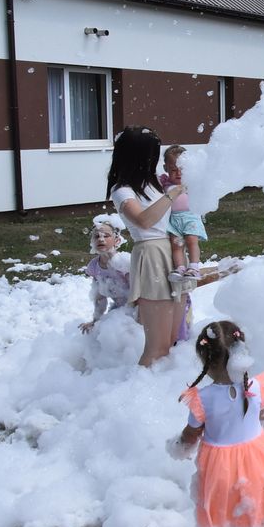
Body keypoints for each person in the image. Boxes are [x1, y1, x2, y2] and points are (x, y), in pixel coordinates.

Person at [171, 321, 264, 527]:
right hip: (255, 459)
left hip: (219, 468)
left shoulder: (203, 398)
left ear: (206, 361)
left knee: (218, 519)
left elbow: (191, 435)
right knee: (251, 521)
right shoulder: (256, 386)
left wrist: (178, 447)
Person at [106, 126, 186, 366]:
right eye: (152, 154)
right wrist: (173, 195)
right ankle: (139, 395)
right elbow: (143, 220)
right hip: (151, 255)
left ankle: (159, 392)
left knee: (172, 340)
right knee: (157, 346)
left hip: (172, 252)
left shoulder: (153, 184)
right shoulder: (121, 190)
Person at [160, 145, 208, 279]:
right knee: (176, 245)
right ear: (166, 169)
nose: (179, 173)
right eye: (173, 170)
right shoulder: (165, 183)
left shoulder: (192, 181)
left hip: (190, 216)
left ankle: (194, 267)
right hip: (174, 219)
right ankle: (180, 268)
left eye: (182, 169)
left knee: (191, 241)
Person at [79, 216, 131, 333]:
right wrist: (95, 321)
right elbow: (99, 297)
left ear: (117, 241)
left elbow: (137, 293)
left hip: (136, 309)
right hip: (118, 311)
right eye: (96, 236)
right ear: (92, 242)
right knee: (100, 333)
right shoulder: (94, 266)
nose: (101, 239)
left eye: (106, 236)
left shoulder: (124, 263)